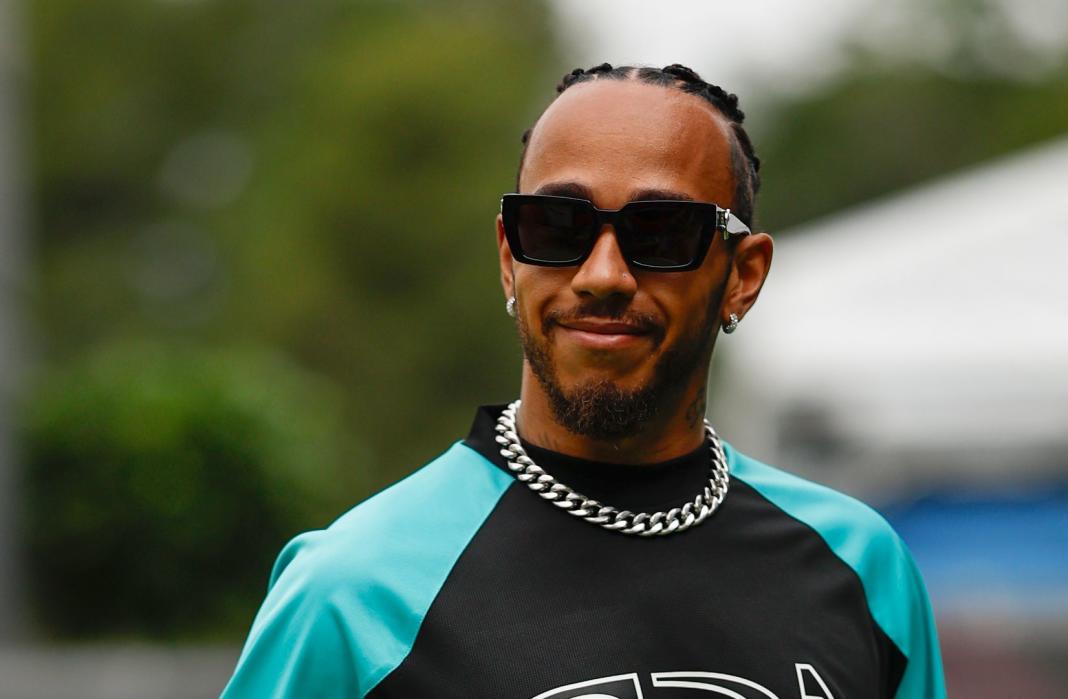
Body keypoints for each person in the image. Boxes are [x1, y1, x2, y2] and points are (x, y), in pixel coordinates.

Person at [222, 63, 946, 699]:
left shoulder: (860, 569)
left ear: (742, 276)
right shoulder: (355, 592)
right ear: (510, 258)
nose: (603, 274)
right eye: (559, 226)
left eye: (661, 232)